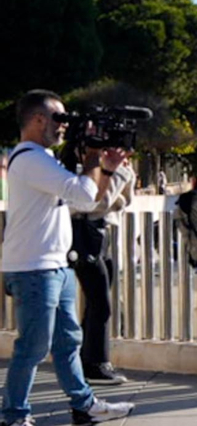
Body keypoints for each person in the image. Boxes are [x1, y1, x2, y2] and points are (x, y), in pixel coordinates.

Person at [3, 90, 136, 426]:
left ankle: (84, 405)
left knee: (67, 343)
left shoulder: (43, 158)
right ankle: (12, 420)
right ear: (38, 120)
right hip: (34, 268)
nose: (64, 127)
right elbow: (80, 192)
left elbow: (90, 198)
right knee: (32, 347)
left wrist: (106, 168)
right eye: (59, 119)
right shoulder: (30, 159)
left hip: (55, 264)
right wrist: (93, 157)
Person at [63, 142, 135, 385]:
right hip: (85, 239)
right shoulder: (78, 170)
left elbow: (125, 199)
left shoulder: (101, 170)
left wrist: (117, 176)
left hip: (100, 238)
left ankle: (88, 360)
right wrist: (116, 173)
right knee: (100, 303)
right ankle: (96, 364)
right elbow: (96, 203)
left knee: (97, 302)